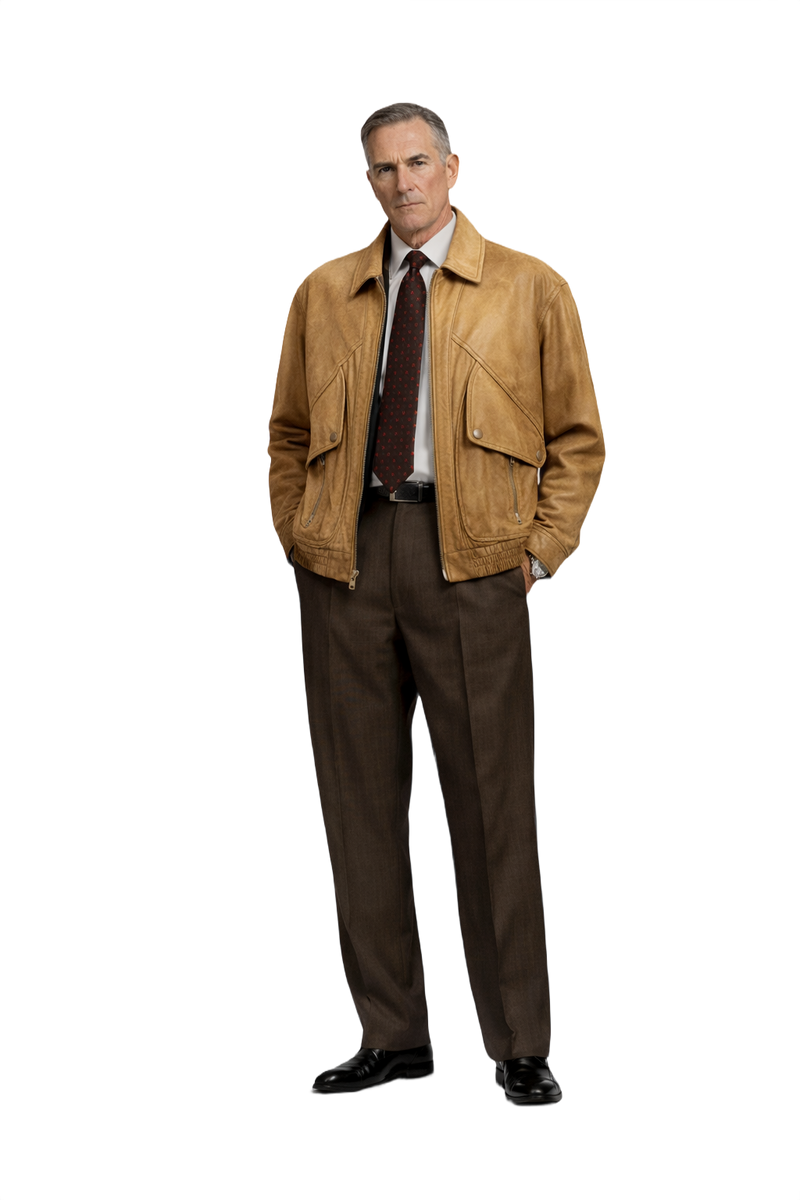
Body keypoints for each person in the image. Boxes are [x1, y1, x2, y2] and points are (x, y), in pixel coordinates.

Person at [266, 100, 608, 1104]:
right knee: (357, 807)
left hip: (475, 566)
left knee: (491, 806)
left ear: (454, 168)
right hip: (345, 561)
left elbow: (579, 440)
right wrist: (297, 533)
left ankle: (518, 1042)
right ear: (367, 182)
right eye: (383, 168)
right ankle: (391, 1032)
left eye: (418, 162)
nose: (402, 182)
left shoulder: (532, 285)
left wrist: (538, 557)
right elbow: (286, 435)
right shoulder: (322, 290)